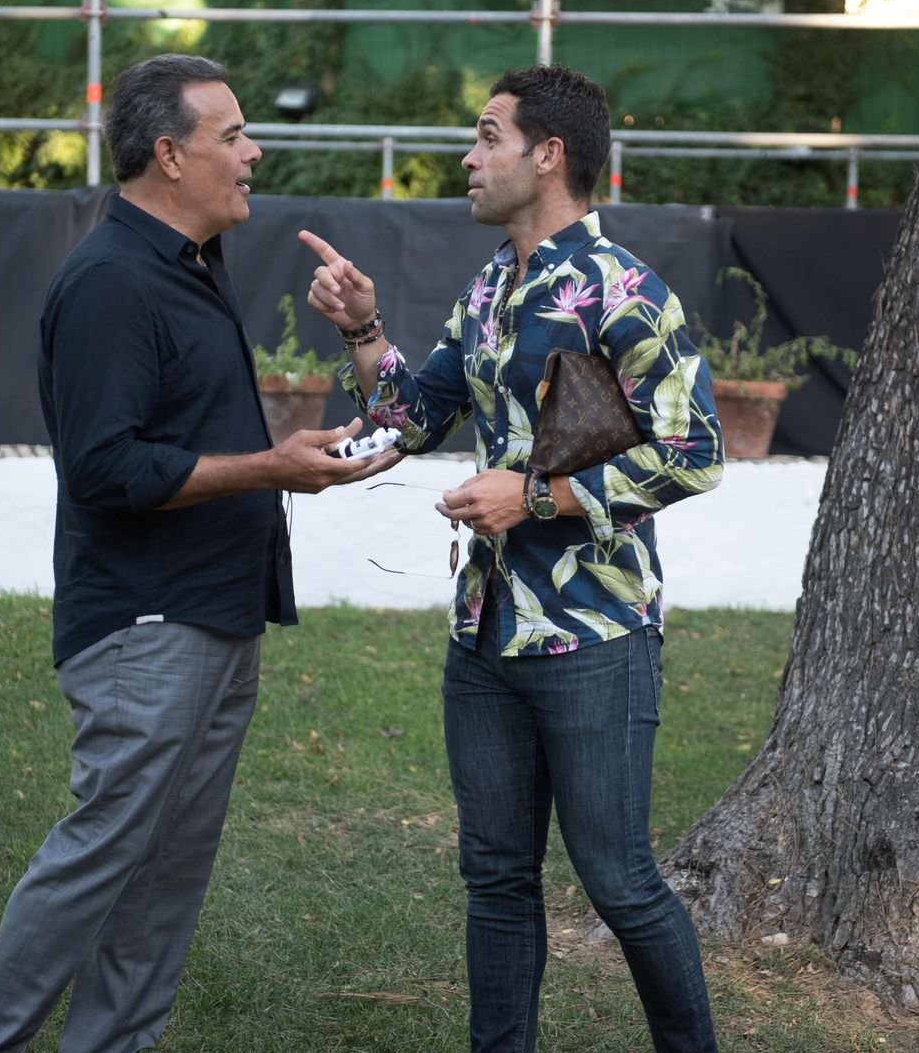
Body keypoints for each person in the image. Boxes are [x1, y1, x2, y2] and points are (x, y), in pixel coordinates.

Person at [0, 54, 400, 1053]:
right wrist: (268, 468)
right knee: (99, 860)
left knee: (162, 879)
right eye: (231, 135)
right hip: (147, 625)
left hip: (215, 616)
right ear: (167, 154)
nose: (253, 150)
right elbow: (105, 469)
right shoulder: (109, 281)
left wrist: (360, 334)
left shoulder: (184, 265)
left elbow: (393, 416)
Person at [300, 64, 724, 1052]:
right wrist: (361, 327)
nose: (467, 155)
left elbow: (693, 450)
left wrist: (530, 493)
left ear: (549, 155)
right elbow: (412, 416)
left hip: (593, 636)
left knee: (618, 880)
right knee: (494, 876)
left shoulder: (622, 292)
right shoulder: (494, 284)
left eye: (486, 135)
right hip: (485, 636)